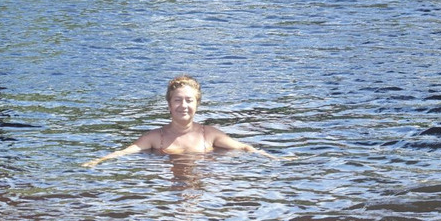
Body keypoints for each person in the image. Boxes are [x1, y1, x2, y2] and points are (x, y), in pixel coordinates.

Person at [81, 75, 288, 167]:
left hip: (200, 187)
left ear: (197, 104)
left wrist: (272, 158)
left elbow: (243, 148)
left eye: (189, 100)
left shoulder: (209, 134)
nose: (183, 105)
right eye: (177, 100)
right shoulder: (155, 137)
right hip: (170, 191)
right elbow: (125, 152)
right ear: (169, 105)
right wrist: (98, 161)